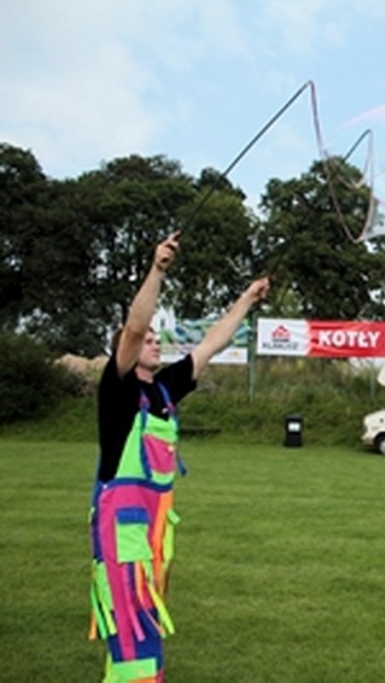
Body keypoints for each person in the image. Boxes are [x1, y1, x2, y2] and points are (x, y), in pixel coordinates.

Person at [88, 233, 270, 682]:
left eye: (156, 338)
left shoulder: (166, 388)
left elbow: (212, 343)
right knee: (134, 635)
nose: (154, 341)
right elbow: (133, 327)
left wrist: (247, 299)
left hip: (152, 537)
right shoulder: (118, 390)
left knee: (144, 628)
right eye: (148, 339)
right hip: (122, 536)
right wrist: (157, 270)